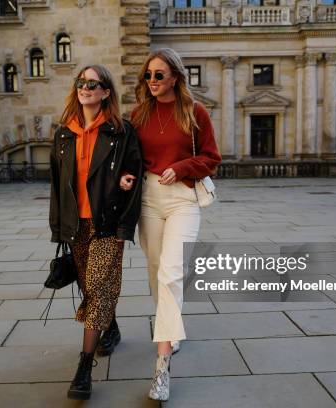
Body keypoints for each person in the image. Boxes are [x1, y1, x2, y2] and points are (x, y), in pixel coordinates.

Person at [121, 48, 221, 401]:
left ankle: (162, 365)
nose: (152, 81)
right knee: (154, 270)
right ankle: (172, 329)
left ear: (176, 77)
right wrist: (127, 177)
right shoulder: (138, 114)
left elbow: (212, 158)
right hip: (149, 198)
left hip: (183, 198)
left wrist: (180, 167)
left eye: (159, 75)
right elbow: (129, 158)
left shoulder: (195, 113)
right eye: (148, 75)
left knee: (171, 273)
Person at [49, 64, 143, 400]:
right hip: (77, 228)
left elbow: (136, 178)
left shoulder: (121, 132)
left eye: (93, 83)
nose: (85, 87)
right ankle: (111, 328)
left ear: (105, 92)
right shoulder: (64, 134)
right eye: (81, 82)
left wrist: (124, 227)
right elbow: (58, 187)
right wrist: (59, 229)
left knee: (97, 290)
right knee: (93, 287)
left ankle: (84, 365)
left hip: (107, 225)